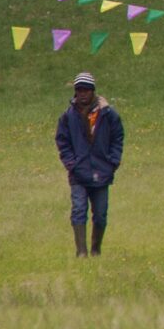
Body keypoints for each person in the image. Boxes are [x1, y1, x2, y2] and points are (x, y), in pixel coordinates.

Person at [54, 72, 122, 257]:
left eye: (86, 90)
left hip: (102, 171)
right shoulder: (68, 117)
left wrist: (113, 161)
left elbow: (117, 138)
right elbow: (62, 141)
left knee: (100, 214)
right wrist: (71, 163)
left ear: (93, 92)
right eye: (79, 90)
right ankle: (81, 251)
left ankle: (95, 249)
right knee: (78, 210)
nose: (83, 94)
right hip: (78, 173)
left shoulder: (108, 115)